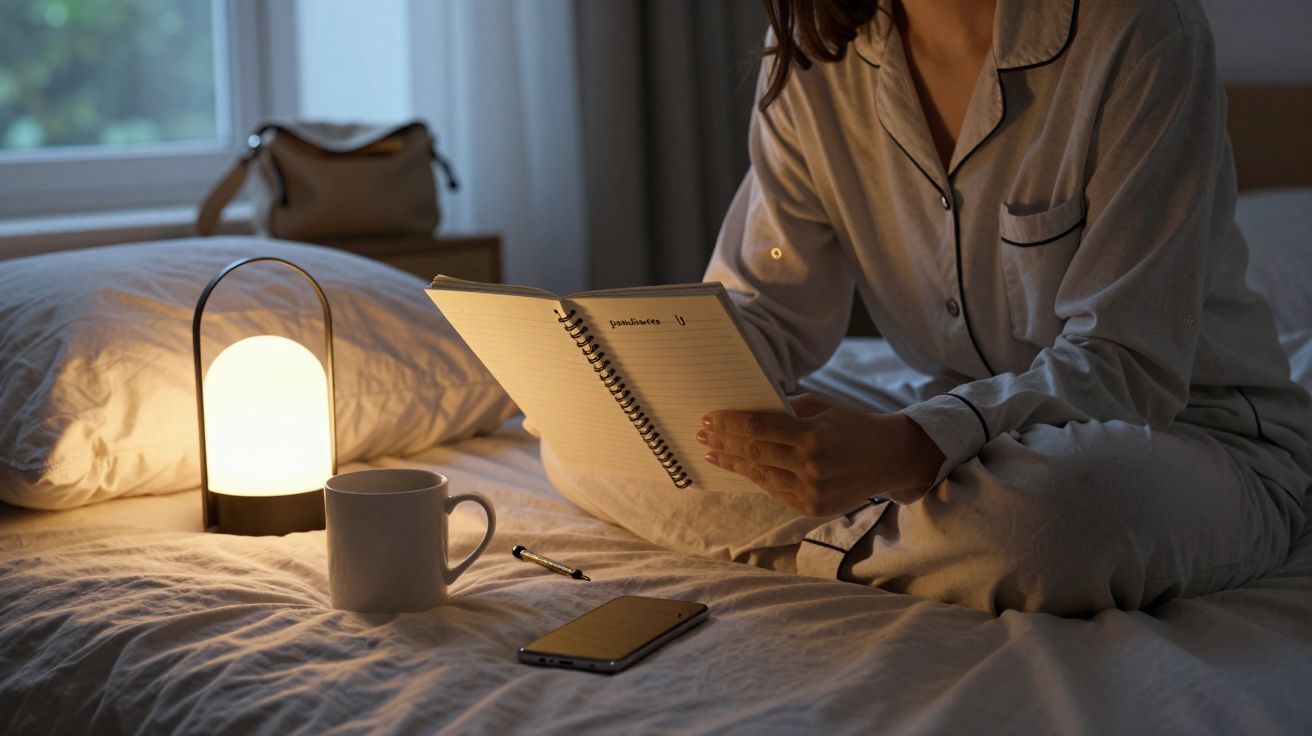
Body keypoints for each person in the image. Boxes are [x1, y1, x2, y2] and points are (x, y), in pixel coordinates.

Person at [684, 0, 1312, 615]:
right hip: (947, 418)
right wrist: (681, 382)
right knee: (619, 456)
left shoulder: (1141, 29)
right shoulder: (813, 52)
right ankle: (915, 536)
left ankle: (830, 528)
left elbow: (1128, 364)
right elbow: (767, 304)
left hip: (1180, 433)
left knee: (1058, 517)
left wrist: (906, 447)